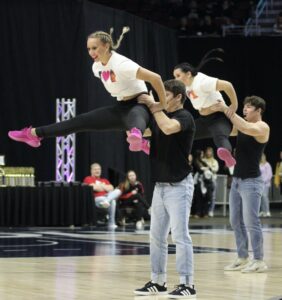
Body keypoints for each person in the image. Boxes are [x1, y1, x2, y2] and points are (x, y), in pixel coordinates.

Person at [8, 27, 167, 155]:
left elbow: (156, 78)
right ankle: (34, 134)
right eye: (89, 48)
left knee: (135, 119)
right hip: (121, 107)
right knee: (79, 121)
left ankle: (138, 138)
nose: (91, 52)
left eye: (95, 48)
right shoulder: (96, 67)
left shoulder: (121, 64)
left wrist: (161, 104)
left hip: (140, 103)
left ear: (106, 46)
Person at [134, 79, 196, 298]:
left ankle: (187, 284)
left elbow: (168, 129)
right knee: (156, 237)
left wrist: (153, 105)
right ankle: (158, 281)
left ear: (178, 97)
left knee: (180, 236)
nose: (161, 99)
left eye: (165, 95)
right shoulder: (160, 118)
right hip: (160, 186)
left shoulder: (184, 117)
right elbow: (144, 131)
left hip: (179, 185)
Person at [211, 95, 269, 273]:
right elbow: (227, 130)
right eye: (244, 106)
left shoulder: (262, 127)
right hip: (236, 180)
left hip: (252, 181)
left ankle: (259, 260)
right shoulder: (242, 126)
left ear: (259, 110)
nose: (245, 109)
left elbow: (244, 126)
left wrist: (226, 109)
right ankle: (243, 257)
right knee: (235, 220)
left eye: (249, 107)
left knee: (252, 221)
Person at [173, 48, 238, 167]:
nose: (175, 79)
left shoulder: (202, 82)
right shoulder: (187, 87)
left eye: (178, 75)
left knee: (220, 138)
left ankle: (227, 155)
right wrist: (207, 110)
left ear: (188, 74)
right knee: (181, 132)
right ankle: (153, 145)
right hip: (204, 120)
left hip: (220, 118)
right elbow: (202, 109)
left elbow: (228, 85)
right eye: (174, 76)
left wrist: (234, 105)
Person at [83, 163, 121, 229]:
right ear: (91, 171)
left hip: (106, 198)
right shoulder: (88, 179)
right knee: (113, 201)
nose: (97, 171)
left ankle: (106, 201)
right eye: (95, 169)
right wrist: (104, 186)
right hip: (97, 199)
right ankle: (111, 222)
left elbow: (111, 188)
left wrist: (101, 186)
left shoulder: (104, 180)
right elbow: (94, 188)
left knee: (118, 191)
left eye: (99, 169)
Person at [202, 146, 219, 217]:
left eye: (210, 151)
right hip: (203, 180)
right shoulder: (203, 160)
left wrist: (208, 167)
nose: (209, 153)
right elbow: (201, 168)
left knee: (212, 196)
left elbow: (216, 169)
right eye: (207, 151)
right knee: (203, 196)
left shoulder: (214, 161)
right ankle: (203, 211)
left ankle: (211, 210)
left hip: (212, 180)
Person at [259, 153, 273, 217]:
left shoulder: (267, 164)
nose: (262, 158)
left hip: (265, 184)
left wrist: (264, 181)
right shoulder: (258, 164)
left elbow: (269, 174)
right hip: (259, 184)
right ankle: (262, 211)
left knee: (265, 197)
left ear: (264, 157)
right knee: (260, 198)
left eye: (262, 156)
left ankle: (267, 211)